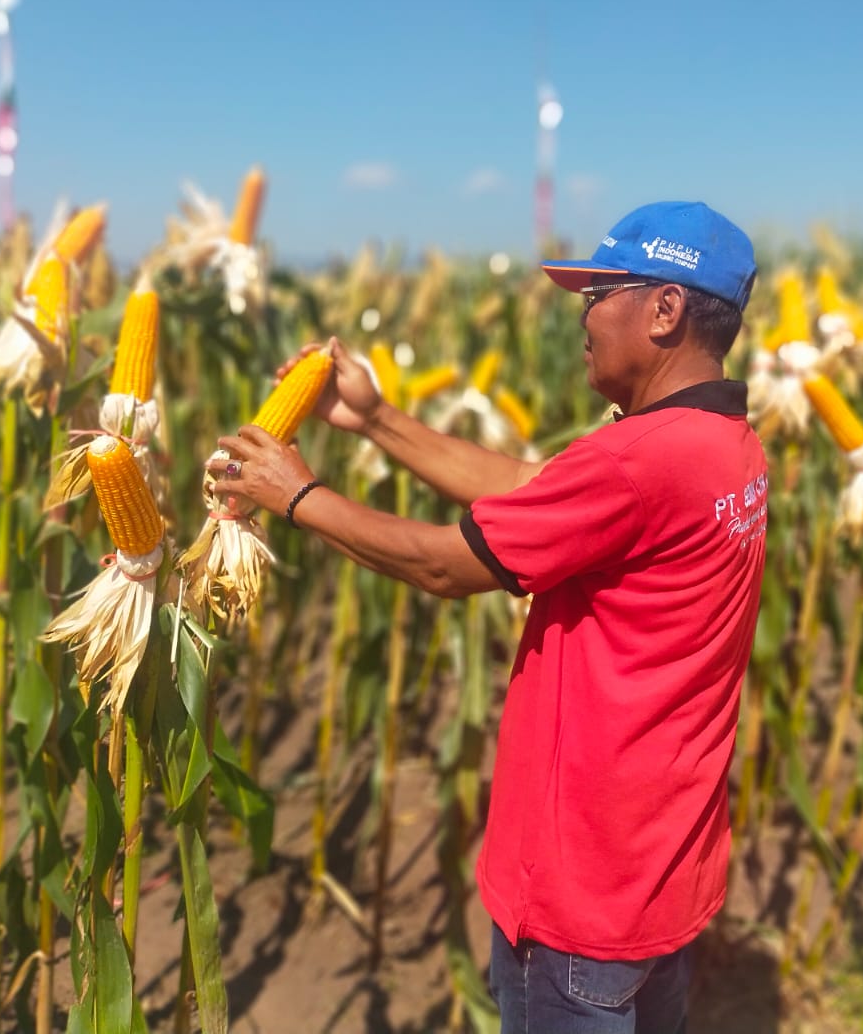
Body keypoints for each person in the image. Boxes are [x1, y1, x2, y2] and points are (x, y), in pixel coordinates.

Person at [213, 201, 769, 1033]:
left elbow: (444, 565)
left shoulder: (637, 463)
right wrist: (373, 420)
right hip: (661, 874)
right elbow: (533, 488)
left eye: (599, 293)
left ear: (664, 310)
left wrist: (298, 497)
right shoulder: (724, 444)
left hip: (585, 889)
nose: (582, 318)